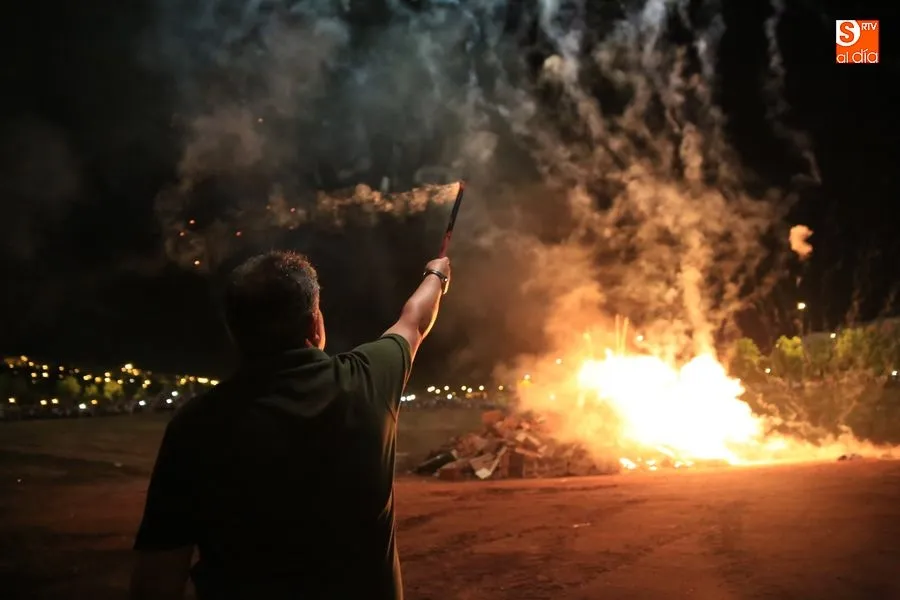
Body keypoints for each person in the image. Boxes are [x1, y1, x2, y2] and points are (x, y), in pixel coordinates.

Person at [129, 250, 451, 600]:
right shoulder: (366, 379)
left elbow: (157, 580)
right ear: (315, 323)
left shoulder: (194, 427)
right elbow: (414, 319)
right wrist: (437, 275)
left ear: (234, 332)